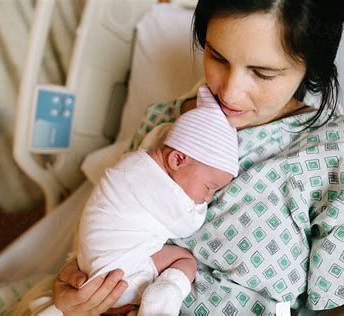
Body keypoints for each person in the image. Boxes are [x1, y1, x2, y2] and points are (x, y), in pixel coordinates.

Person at [53, 1, 344, 315]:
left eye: (262, 72)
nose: (229, 91)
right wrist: (73, 294)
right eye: (217, 57)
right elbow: (105, 231)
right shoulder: (163, 125)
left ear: (311, 68)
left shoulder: (337, 155)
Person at [71, 85, 237, 315]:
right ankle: (162, 299)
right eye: (209, 187)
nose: (209, 197)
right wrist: (200, 207)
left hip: (91, 269)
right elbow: (188, 225)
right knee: (184, 260)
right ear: (177, 160)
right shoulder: (161, 190)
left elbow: (159, 134)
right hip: (118, 277)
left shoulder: (137, 161)